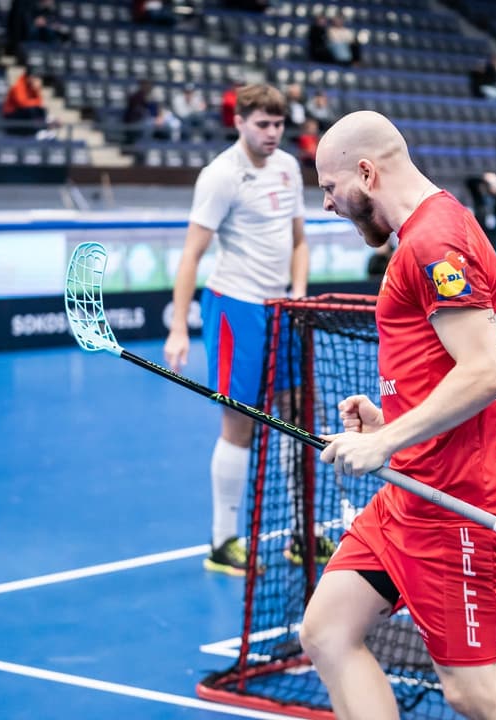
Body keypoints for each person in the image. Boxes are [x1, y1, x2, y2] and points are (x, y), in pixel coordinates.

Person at [301, 109, 496, 720]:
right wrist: (386, 416)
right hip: (408, 492)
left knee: (474, 689)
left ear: (366, 172)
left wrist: (387, 438)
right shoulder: (436, 227)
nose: (330, 205)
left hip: (455, 503)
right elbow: (445, 366)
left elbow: (485, 370)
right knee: (327, 632)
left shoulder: (432, 241)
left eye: (331, 189)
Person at [164, 83, 316, 576]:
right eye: (263, 125)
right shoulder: (220, 177)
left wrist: (297, 288)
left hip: (282, 308)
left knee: (296, 418)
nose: (273, 134)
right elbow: (191, 255)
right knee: (240, 423)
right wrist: (179, 329)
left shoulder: (290, 167)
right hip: (236, 308)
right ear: (240, 122)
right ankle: (223, 541)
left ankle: (300, 532)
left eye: (279, 125)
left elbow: (298, 239)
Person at [465, 170, 496, 250]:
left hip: (493, 233)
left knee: (493, 252)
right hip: (478, 231)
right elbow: (469, 182)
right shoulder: (478, 195)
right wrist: (486, 178)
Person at [2, 67, 51, 136]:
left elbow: (39, 102)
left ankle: (43, 129)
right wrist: (34, 102)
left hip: (24, 113)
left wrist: (36, 89)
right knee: (31, 110)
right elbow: (22, 103)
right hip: (11, 115)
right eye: (34, 77)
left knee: (41, 110)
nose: (36, 79)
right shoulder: (18, 86)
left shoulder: (32, 87)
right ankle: (39, 130)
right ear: (29, 77)